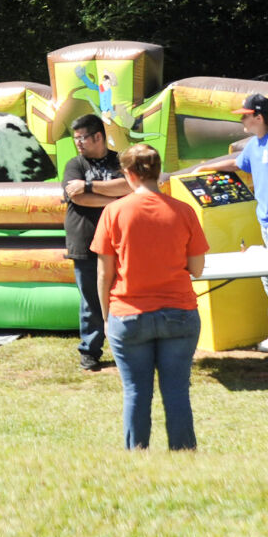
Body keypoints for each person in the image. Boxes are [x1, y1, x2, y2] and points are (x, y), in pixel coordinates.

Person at [93, 144, 209, 451]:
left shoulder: (113, 212)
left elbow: (104, 274)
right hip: (179, 312)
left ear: (128, 175)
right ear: (157, 173)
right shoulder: (184, 211)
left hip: (128, 313)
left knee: (135, 391)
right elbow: (197, 268)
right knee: (177, 392)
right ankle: (184, 454)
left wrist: (106, 318)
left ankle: (137, 456)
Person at [194, 93, 268, 353]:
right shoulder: (253, 145)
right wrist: (204, 169)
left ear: (259, 117)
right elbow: (237, 164)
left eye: (245, 116)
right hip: (267, 218)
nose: (242, 121)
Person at [62, 114, 132, 371]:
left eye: (82, 138)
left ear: (98, 137)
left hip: (123, 241)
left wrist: (89, 186)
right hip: (86, 240)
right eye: (75, 138)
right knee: (91, 300)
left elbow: (130, 184)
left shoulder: (121, 160)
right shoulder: (74, 165)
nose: (78, 143)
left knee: (127, 294)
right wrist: (116, 198)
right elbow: (78, 199)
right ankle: (90, 352)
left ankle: (129, 347)